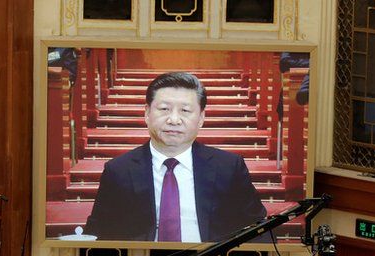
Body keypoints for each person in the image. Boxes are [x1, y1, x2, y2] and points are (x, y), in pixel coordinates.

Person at [85, 71, 266, 241]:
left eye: (185, 111)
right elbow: (99, 232)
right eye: (164, 109)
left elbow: (259, 230)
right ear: (147, 113)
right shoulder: (118, 170)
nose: (174, 119)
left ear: (201, 118)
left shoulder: (229, 167)